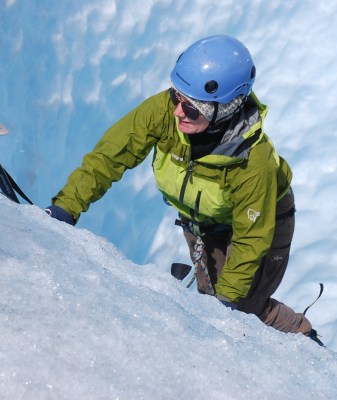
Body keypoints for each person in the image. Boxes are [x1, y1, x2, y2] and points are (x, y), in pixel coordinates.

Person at [46, 35, 323, 345]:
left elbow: (251, 239)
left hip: (264, 221)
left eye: (192, 109)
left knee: (241, 307)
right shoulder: (164, 111)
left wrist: (227, 305)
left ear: (225, 109)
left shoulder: (252, 161)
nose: (178, 111)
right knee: (209, 299)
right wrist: (64, 208)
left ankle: (301, 334)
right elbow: (110, 157)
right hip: (203, 218)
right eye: (177, 96)